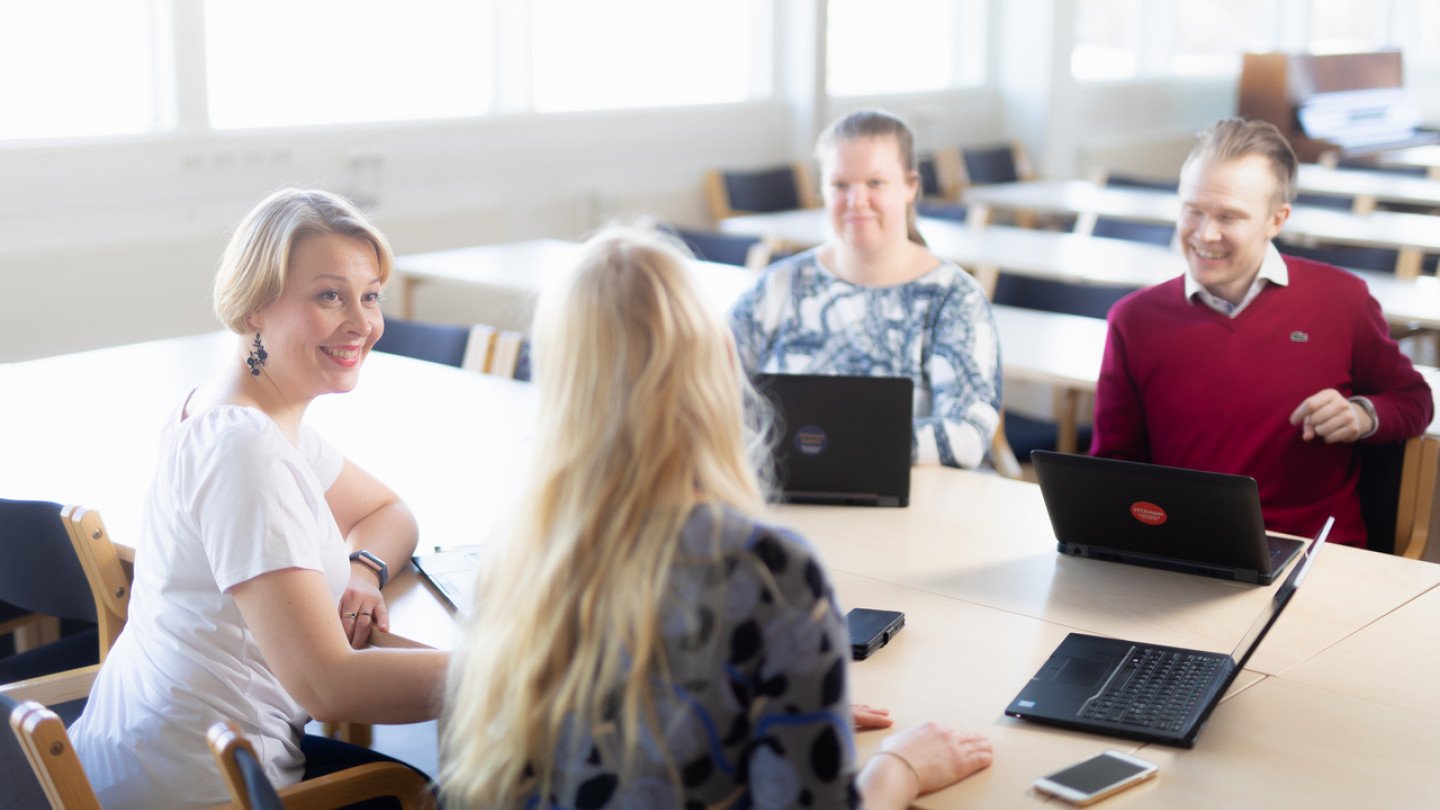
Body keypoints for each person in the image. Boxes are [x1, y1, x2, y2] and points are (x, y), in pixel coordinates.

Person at [440, 229, 993, 809]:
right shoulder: (768, 570)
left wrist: (793, 709)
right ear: (725, 363)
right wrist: (898, 769)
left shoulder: (516, 550)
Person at [68, 189, 449, 809]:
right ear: (253, 307)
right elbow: (327, 685)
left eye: (371, 295)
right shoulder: (245, 446)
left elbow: (389, 512)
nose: (362, 322)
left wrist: (365, 570)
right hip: (205, 788)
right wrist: (523, 675)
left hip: (135, 760)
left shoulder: (244, 408)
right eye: (330, 295)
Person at [1091, 118, 1433, 547]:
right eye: (1192, 210)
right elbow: (1112, 465)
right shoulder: (1133, 320)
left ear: (1277, 220)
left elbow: (1415, 400)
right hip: (1184, 546)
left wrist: (1363, 414)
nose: (1204, 233)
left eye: (1228, 217)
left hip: (1315, 554)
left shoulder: (1342, 299)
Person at [729, 109, 1002, 469]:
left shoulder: (954, 298)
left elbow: (968, 436)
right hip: (788, 501)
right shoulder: (779, 286)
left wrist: (830, 441)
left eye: (875, 183)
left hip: (913, 508)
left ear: (910, 186)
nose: (856, 201)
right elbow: (714, 390)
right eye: (840, 185)